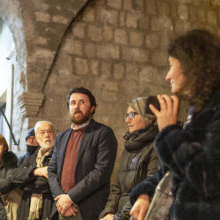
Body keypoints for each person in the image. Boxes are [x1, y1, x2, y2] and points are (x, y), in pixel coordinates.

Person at [129, 29, 220, 220]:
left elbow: (209, 178)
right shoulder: (199, 111)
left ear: (192, 67)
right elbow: (173, 172)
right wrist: (146, 193)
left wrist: (170, 132)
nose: (167, 76)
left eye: (171, 66)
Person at [48, 87, 118, 219]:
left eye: (82, 102)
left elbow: (101, 172)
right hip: (61, 208)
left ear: (92, 108)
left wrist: (70, 197)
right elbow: (51, 170)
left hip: (86, 209)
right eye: (73, 103)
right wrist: (61, 200)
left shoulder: (103, 133)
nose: (77, 106)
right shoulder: (61, 137)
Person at [99, 97, 159, 220]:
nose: (127, 120)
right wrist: (108, 213)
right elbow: (117, 188)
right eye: (126, 115)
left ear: (149, 117)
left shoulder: (156, 146)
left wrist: (118, 217)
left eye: (132, 114)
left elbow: (149, 189)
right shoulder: (128, 147)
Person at [12, 121, 56, 220]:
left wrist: (26, 180)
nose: (47, 135)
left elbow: (48, 183)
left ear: (54, 134)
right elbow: (14, 177)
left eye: (50, 131)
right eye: (42, 132)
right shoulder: (29, 157)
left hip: (48, 204)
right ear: (36, 137)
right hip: (27, 205)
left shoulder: (59, 155)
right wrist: (36, 171)